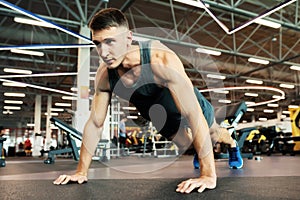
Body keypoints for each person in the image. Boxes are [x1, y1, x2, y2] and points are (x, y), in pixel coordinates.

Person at [53, 8, 243, 193]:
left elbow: (193, 115)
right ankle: (198, 150)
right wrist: (81, 172)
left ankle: (233, 144)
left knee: (212, 134)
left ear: (128, 39)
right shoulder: (105, 77)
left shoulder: (161, 61)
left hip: (188, 105)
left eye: (110, 42)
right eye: (98, 43)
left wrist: (208, 175)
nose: (103, 52)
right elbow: (95, 123)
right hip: (161, 116)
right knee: (189, 145)